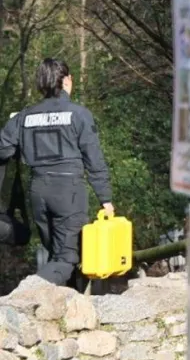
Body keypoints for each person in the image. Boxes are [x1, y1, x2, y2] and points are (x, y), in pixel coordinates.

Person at [0, 59, 112, 286]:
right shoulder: (78, 114)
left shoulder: (24, 117)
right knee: (68, 257)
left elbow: (3, 149)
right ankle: (26, 294)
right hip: (68, 192)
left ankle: (63, 311)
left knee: (56, 253)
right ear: (68, 80)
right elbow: (94, 160)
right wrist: (105, 199)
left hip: (38, 192)